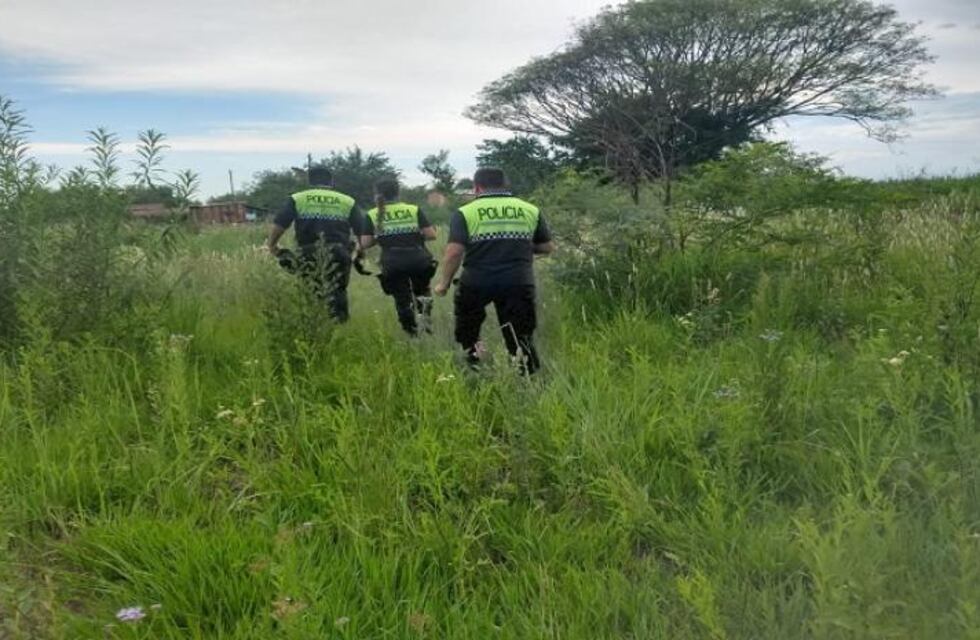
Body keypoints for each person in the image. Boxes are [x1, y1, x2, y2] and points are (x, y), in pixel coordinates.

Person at [434, 167, 555, 374]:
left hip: (476, 281)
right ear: (504, 184)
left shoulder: (465, 212)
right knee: (520, 336)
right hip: (518, 281)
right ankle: (527, 380)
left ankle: (474, 368)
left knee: (468, 331)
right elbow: (546, 247)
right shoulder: (529, 209)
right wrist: (517, 246)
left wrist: (444, 284)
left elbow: (454, 252)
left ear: (477, 187)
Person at [266, 165, 364, 323]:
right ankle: (339, 327)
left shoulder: (298, 198)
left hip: (307, 252)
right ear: (331, 181)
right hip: (338, 253)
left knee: (312, 290)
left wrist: (272, 245)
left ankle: (315, 327)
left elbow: (280, 224)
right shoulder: (347, 201)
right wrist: (360, 252)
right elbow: (362, 231)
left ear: (310, 181)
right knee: (338, 290)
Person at [360, 178, 438, 336]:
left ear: (377, 195)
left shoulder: (373, 214)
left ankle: (411, 333)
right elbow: (431, 235)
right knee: (423, 293)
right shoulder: (413, 209)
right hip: (418, 259)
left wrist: (381, 237)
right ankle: (426, 326)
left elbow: (366, 243)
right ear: (398, 193)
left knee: (402, 298)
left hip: (392, 261)